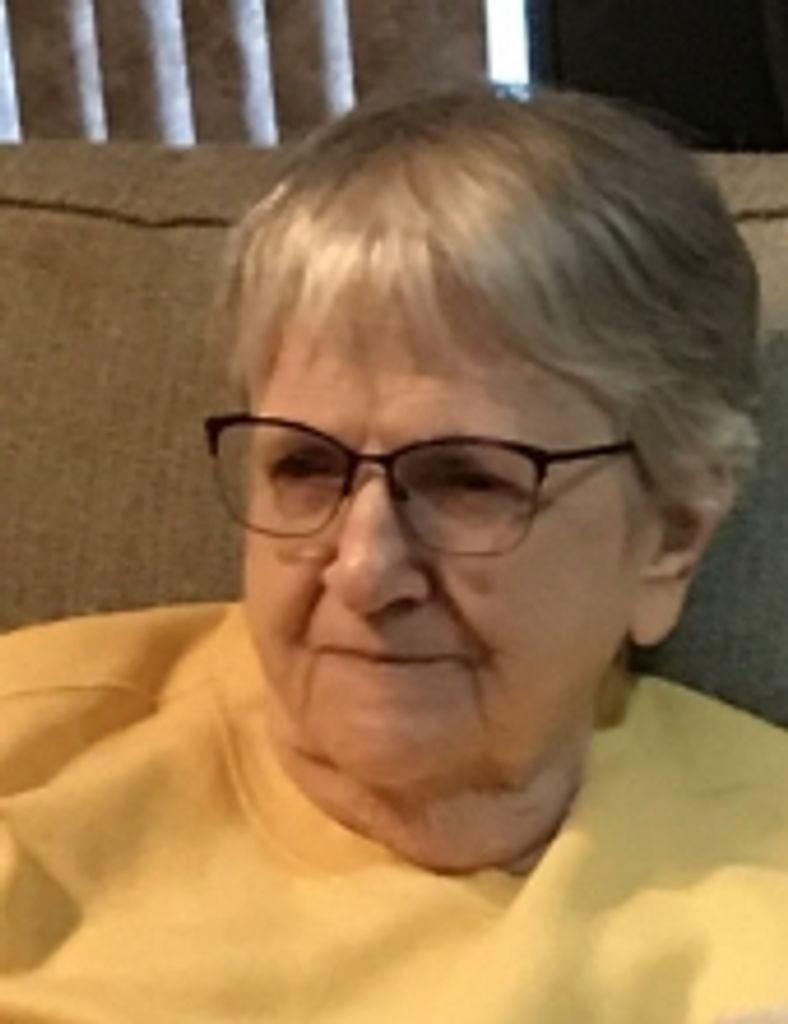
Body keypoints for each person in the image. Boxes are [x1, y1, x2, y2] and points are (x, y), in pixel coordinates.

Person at [1, 87, 787, 1024]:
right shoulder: (37, 748)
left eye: (468, 481)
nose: (364, 570)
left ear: (672, 535)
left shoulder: (759, 876)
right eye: (305, 466)